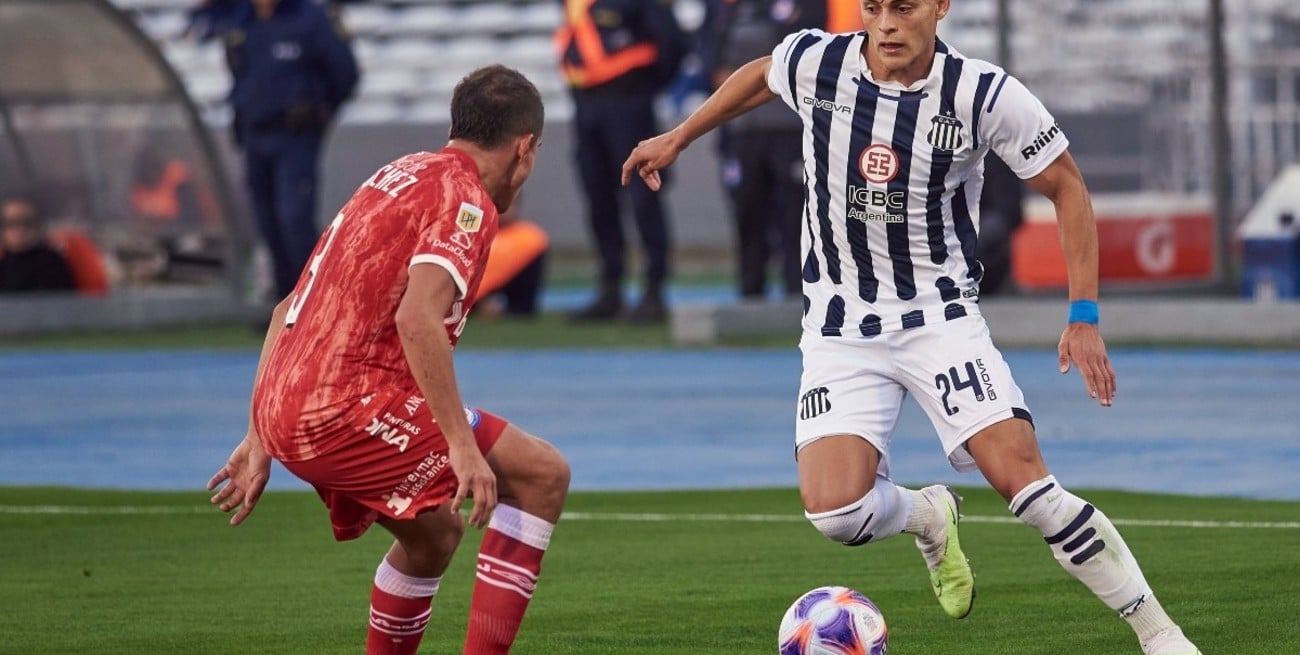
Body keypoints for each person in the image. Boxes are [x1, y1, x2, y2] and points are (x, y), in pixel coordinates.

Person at [621, 1, 1201, 653]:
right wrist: (680, 136)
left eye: (904, 6)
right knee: (836, 513)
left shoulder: (982, 94)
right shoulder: (821, 61)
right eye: (873, 6)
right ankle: (928, 514)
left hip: (939, 319)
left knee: (1031, 490)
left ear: (940, 6)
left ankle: (1162, 636)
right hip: (840, 326)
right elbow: (762, 73)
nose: (887, 23)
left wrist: (1084, 314)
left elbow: (1067, 186)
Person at [207, 65, 570, 655]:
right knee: (541, 476)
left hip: (286, 404)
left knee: (434, 537)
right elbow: (417, 319)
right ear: (524, 148)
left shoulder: (396, 174)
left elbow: (286, 308)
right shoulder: (466, 200)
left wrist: (258, 433)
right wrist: (461, 446)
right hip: (344, 409)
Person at [708, 0, 858, 301]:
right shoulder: (736, 8)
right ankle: (750, 293)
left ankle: (800, 292)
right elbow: (714, 57)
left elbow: (810, 54)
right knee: (747, 209)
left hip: (791, 124)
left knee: (796, 212)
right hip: (744, 127)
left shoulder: (809, 4)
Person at [556, 0, 688, 323]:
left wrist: (642, 86)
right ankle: (610, 289)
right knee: (598, 198)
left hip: (628, 101)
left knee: (644, 197)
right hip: (586, 104)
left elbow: (672, 42)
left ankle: (654, 290)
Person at [223, 0, 359, 301]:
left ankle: (313, 299)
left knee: (294, 218)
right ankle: (283, 301)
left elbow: (345, 74)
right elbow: (239, 69)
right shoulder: (242, 19)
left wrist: (319, 111)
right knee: (266, 220)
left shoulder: (311, 18)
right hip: (255, 134)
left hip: (295, 135)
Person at [0, 193, 77, 294]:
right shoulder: (2, 265)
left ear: (38, 225)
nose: (19, 229)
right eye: (10, 223)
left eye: (27, 222)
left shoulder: (52, 263)